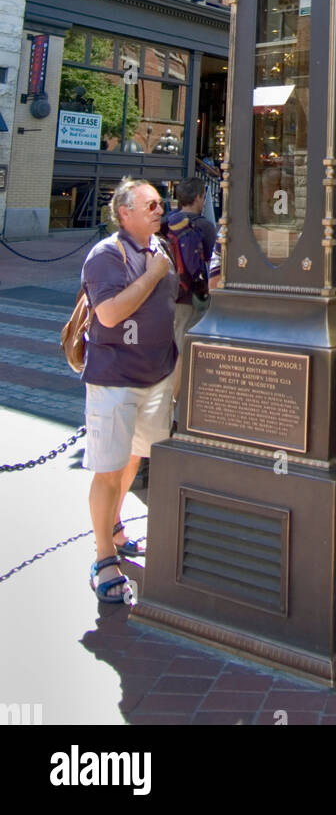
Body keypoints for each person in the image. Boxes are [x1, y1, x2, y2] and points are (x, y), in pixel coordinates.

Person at [81, 178, 179, 602]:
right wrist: (155, 274)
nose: (160, 209)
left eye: (161, 203)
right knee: (108, 468)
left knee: (132, 458)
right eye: (151, 204)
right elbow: (109, 313)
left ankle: (116, 527)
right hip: (115, 378)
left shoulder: (158, 250)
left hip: (155, 376)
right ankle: (104, 557)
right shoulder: (106, 255)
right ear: (125, 213)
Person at [165, 177, 218, 395]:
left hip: (168, 293)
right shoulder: (203, 226)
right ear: (198, 197)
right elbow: (213, 260)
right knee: (184, 348)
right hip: (191, 295)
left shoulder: (166, 222)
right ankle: (172, 403)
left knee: (171, 346)